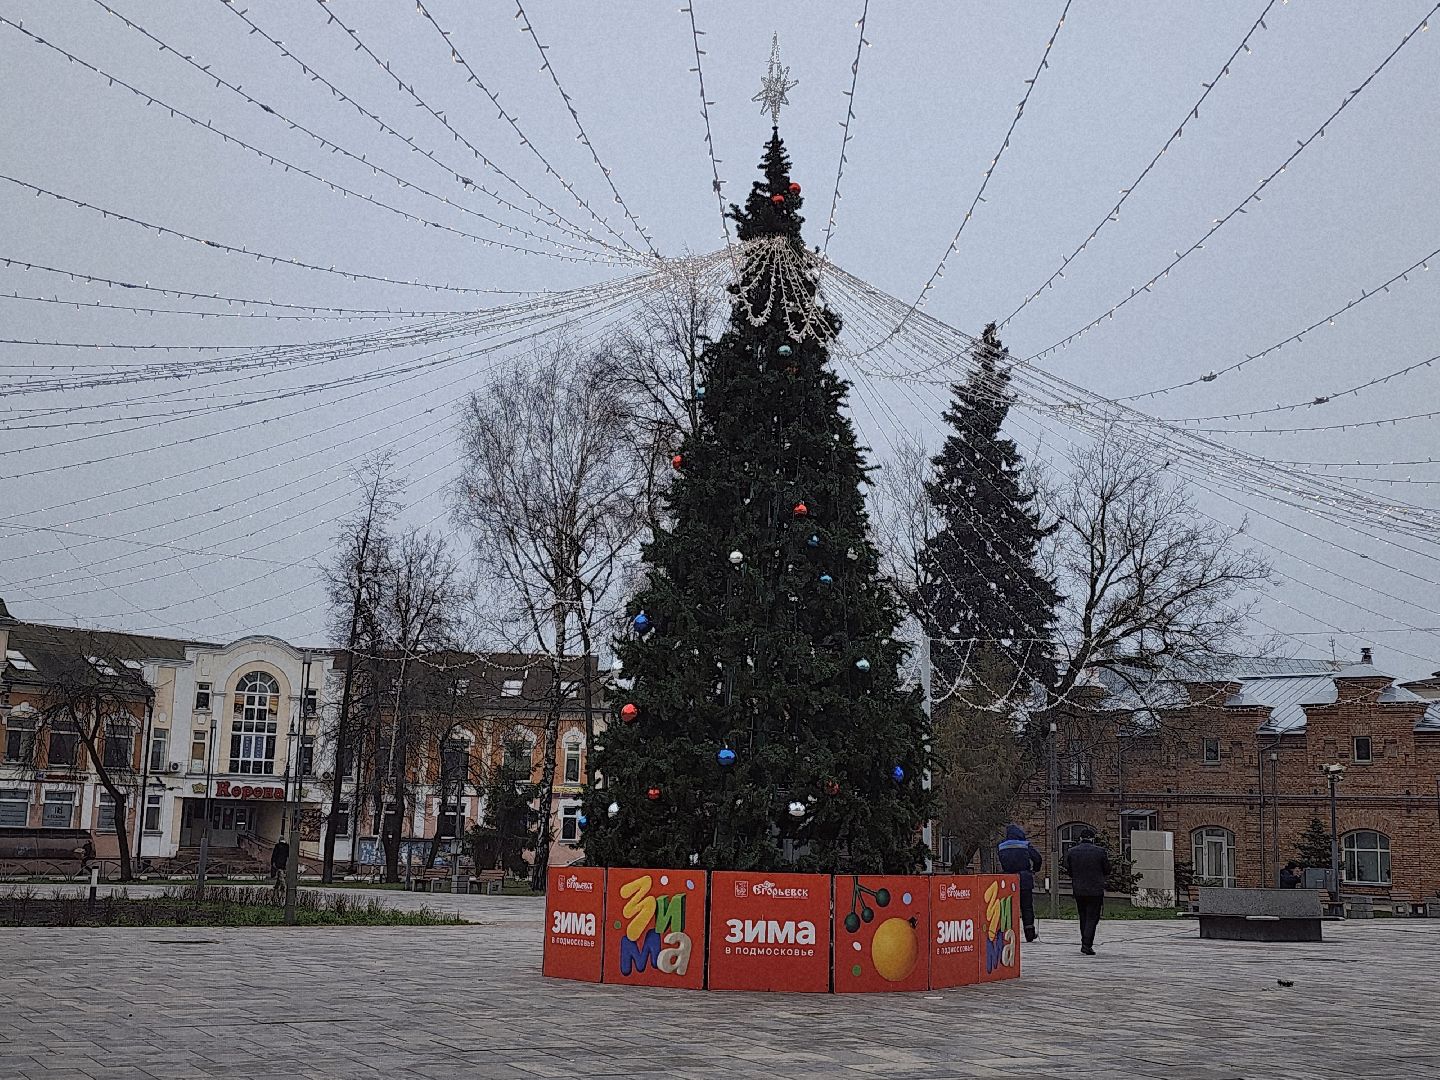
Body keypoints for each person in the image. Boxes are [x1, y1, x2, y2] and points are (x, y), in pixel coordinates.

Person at [1062, 828, 1111, 956]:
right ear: (1092, 838)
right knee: (1092, 917)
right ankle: (1087, 944)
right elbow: (1107, 869)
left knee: (1083, 916)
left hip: (1079, 889)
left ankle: (1084, 940)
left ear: (1080, 839)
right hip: (1095, 889)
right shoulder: (1100, 852)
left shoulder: (1072, 852)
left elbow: (1067, 868)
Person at [997, 823, 1044, 943]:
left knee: (1008, 907)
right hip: (1024, 879)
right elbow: (1037, 858)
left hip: (1007, 879)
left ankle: (1007, 933)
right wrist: (1035, 870)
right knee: (1027, 906)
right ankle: (1029, 933)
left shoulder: (1001, 846)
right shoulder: (1025, 845)